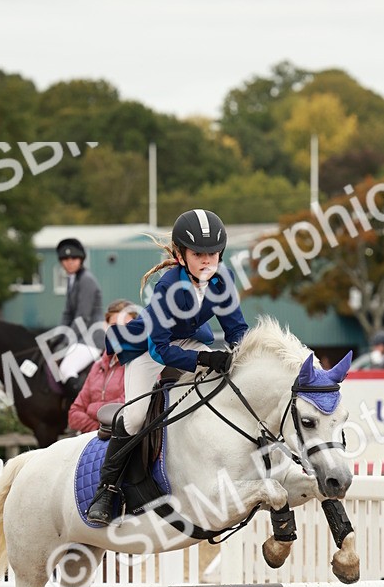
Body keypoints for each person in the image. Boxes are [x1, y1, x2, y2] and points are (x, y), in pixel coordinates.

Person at [86, 208, 248, 525]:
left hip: (190, 340)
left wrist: (242, 354)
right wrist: (205, 358)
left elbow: (236, 331)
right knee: (134, 416)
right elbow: (161, 351)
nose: (207, 260)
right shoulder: (167, 287)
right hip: (149, 347)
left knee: (219, 385)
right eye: (198, 253)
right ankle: (106, 490)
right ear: (179, 254)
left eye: (213, 253)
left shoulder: (222, 279)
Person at [67, 300, 135, 434]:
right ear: (106, 327)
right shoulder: (97, 367)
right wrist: (97, 429)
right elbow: (73, 414)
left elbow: (127, 410)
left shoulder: (141, 365)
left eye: (126, 326)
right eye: (114, 326)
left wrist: (91, 409)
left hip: (124, 443)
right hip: (93, 440)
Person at [55, 237, 104, 399]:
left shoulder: (86, 280)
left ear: (81, 259)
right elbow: (67, 314)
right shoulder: (73, 280)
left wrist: (65, 341)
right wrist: (58, 336)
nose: (69, 262)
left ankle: (82, 406)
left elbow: (82, 317)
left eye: (73, 258)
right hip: (80, 337)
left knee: (66, 369)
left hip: (91, 337)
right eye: (65, 259)